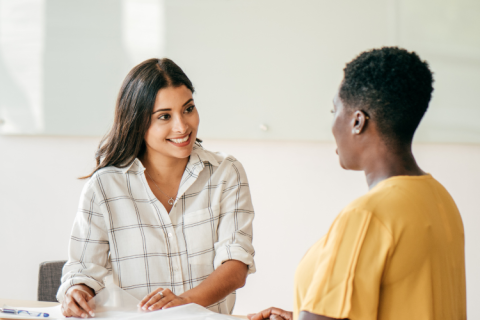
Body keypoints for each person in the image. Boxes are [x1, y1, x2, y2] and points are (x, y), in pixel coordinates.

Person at [248, 47, 466, 320]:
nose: (332, 124)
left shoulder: (367, 215)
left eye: (334, 110)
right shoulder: (440, 200)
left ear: (357, 121)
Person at [57, 58, 256, 318]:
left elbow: (236, 264)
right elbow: (82, 269)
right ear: (137, 122)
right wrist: (77, 291)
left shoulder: (225, 172)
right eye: (164, 116)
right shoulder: (104, 187)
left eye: (188, 109)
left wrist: (182, 302)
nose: (182, 126)